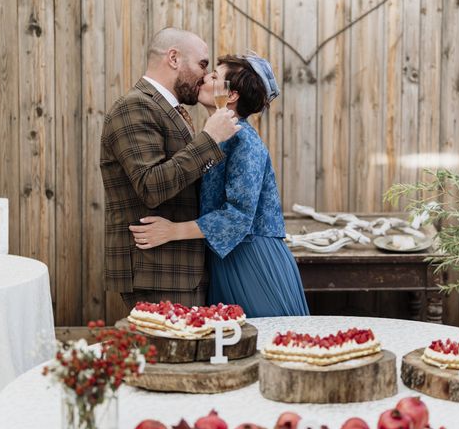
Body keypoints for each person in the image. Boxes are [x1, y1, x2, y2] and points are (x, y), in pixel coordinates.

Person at [129, 54, 310, 317]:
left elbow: (237, 216)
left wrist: (171, 231)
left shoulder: (244, 142)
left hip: (253, 260)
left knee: (268, 341)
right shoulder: (216, 139)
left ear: (232, 95)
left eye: (214, 76)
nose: (204, 78)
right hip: (225, 258)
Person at [101, 28, 240, 309]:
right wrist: (210, 139)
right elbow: (151, 186)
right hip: (157, 271)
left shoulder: (168, 109)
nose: (205, 75)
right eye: (202, 64)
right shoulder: (135, 107)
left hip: (179, 269)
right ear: (174, 58)